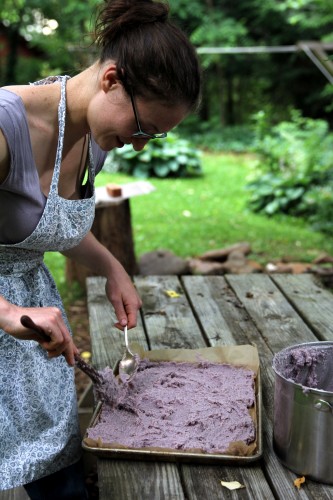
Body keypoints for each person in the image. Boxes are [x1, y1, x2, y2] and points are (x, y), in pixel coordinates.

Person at [0, 0, 201, 498]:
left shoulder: (94, 135)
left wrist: (113, 268)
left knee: (55, 468)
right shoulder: (7, 127)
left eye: (153, 137)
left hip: (31, 318)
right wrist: (7, 312)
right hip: (11, 312)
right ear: (112, 79)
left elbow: (48, 227)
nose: (138, 144)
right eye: (144, 128)